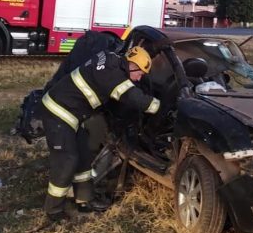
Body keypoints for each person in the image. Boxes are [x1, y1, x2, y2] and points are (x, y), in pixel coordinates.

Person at [39, 45, 161, 222]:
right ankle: (53, 210)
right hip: (58, 112)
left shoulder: (111, 59)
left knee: (83, 155)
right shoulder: (113, 76)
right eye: (139, 74)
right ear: (132, 65)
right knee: (67, 160)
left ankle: (84, 200)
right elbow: (134, 98)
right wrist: (160, 107)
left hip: (71, 114)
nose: (138, 78)